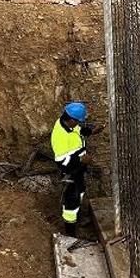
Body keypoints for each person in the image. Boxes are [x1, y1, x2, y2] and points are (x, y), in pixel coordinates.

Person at [49, 102, 101, 237]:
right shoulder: (60, 137)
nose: (79, 124)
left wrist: (90, 132)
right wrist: (81, 160)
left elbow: (78, 131)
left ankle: (78, 217)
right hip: (70, 173)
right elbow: (62, 163)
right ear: (71, 119)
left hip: (78, 170)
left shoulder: (68, 124)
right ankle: (71, 234)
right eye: (78, 121)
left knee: (81, 190)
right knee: (71, 202)